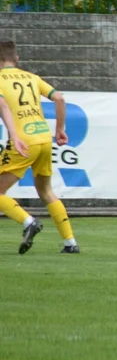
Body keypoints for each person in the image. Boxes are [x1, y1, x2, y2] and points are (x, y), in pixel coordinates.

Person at [0, 40, 79, 254]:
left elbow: (3, 104)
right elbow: (59, 99)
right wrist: (60, 129)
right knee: (45, 190)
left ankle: (28, 222)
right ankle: (70, 243)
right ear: (16, 59)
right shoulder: (32, 78)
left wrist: (14, 136)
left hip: (23, 140)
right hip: (43, 138)